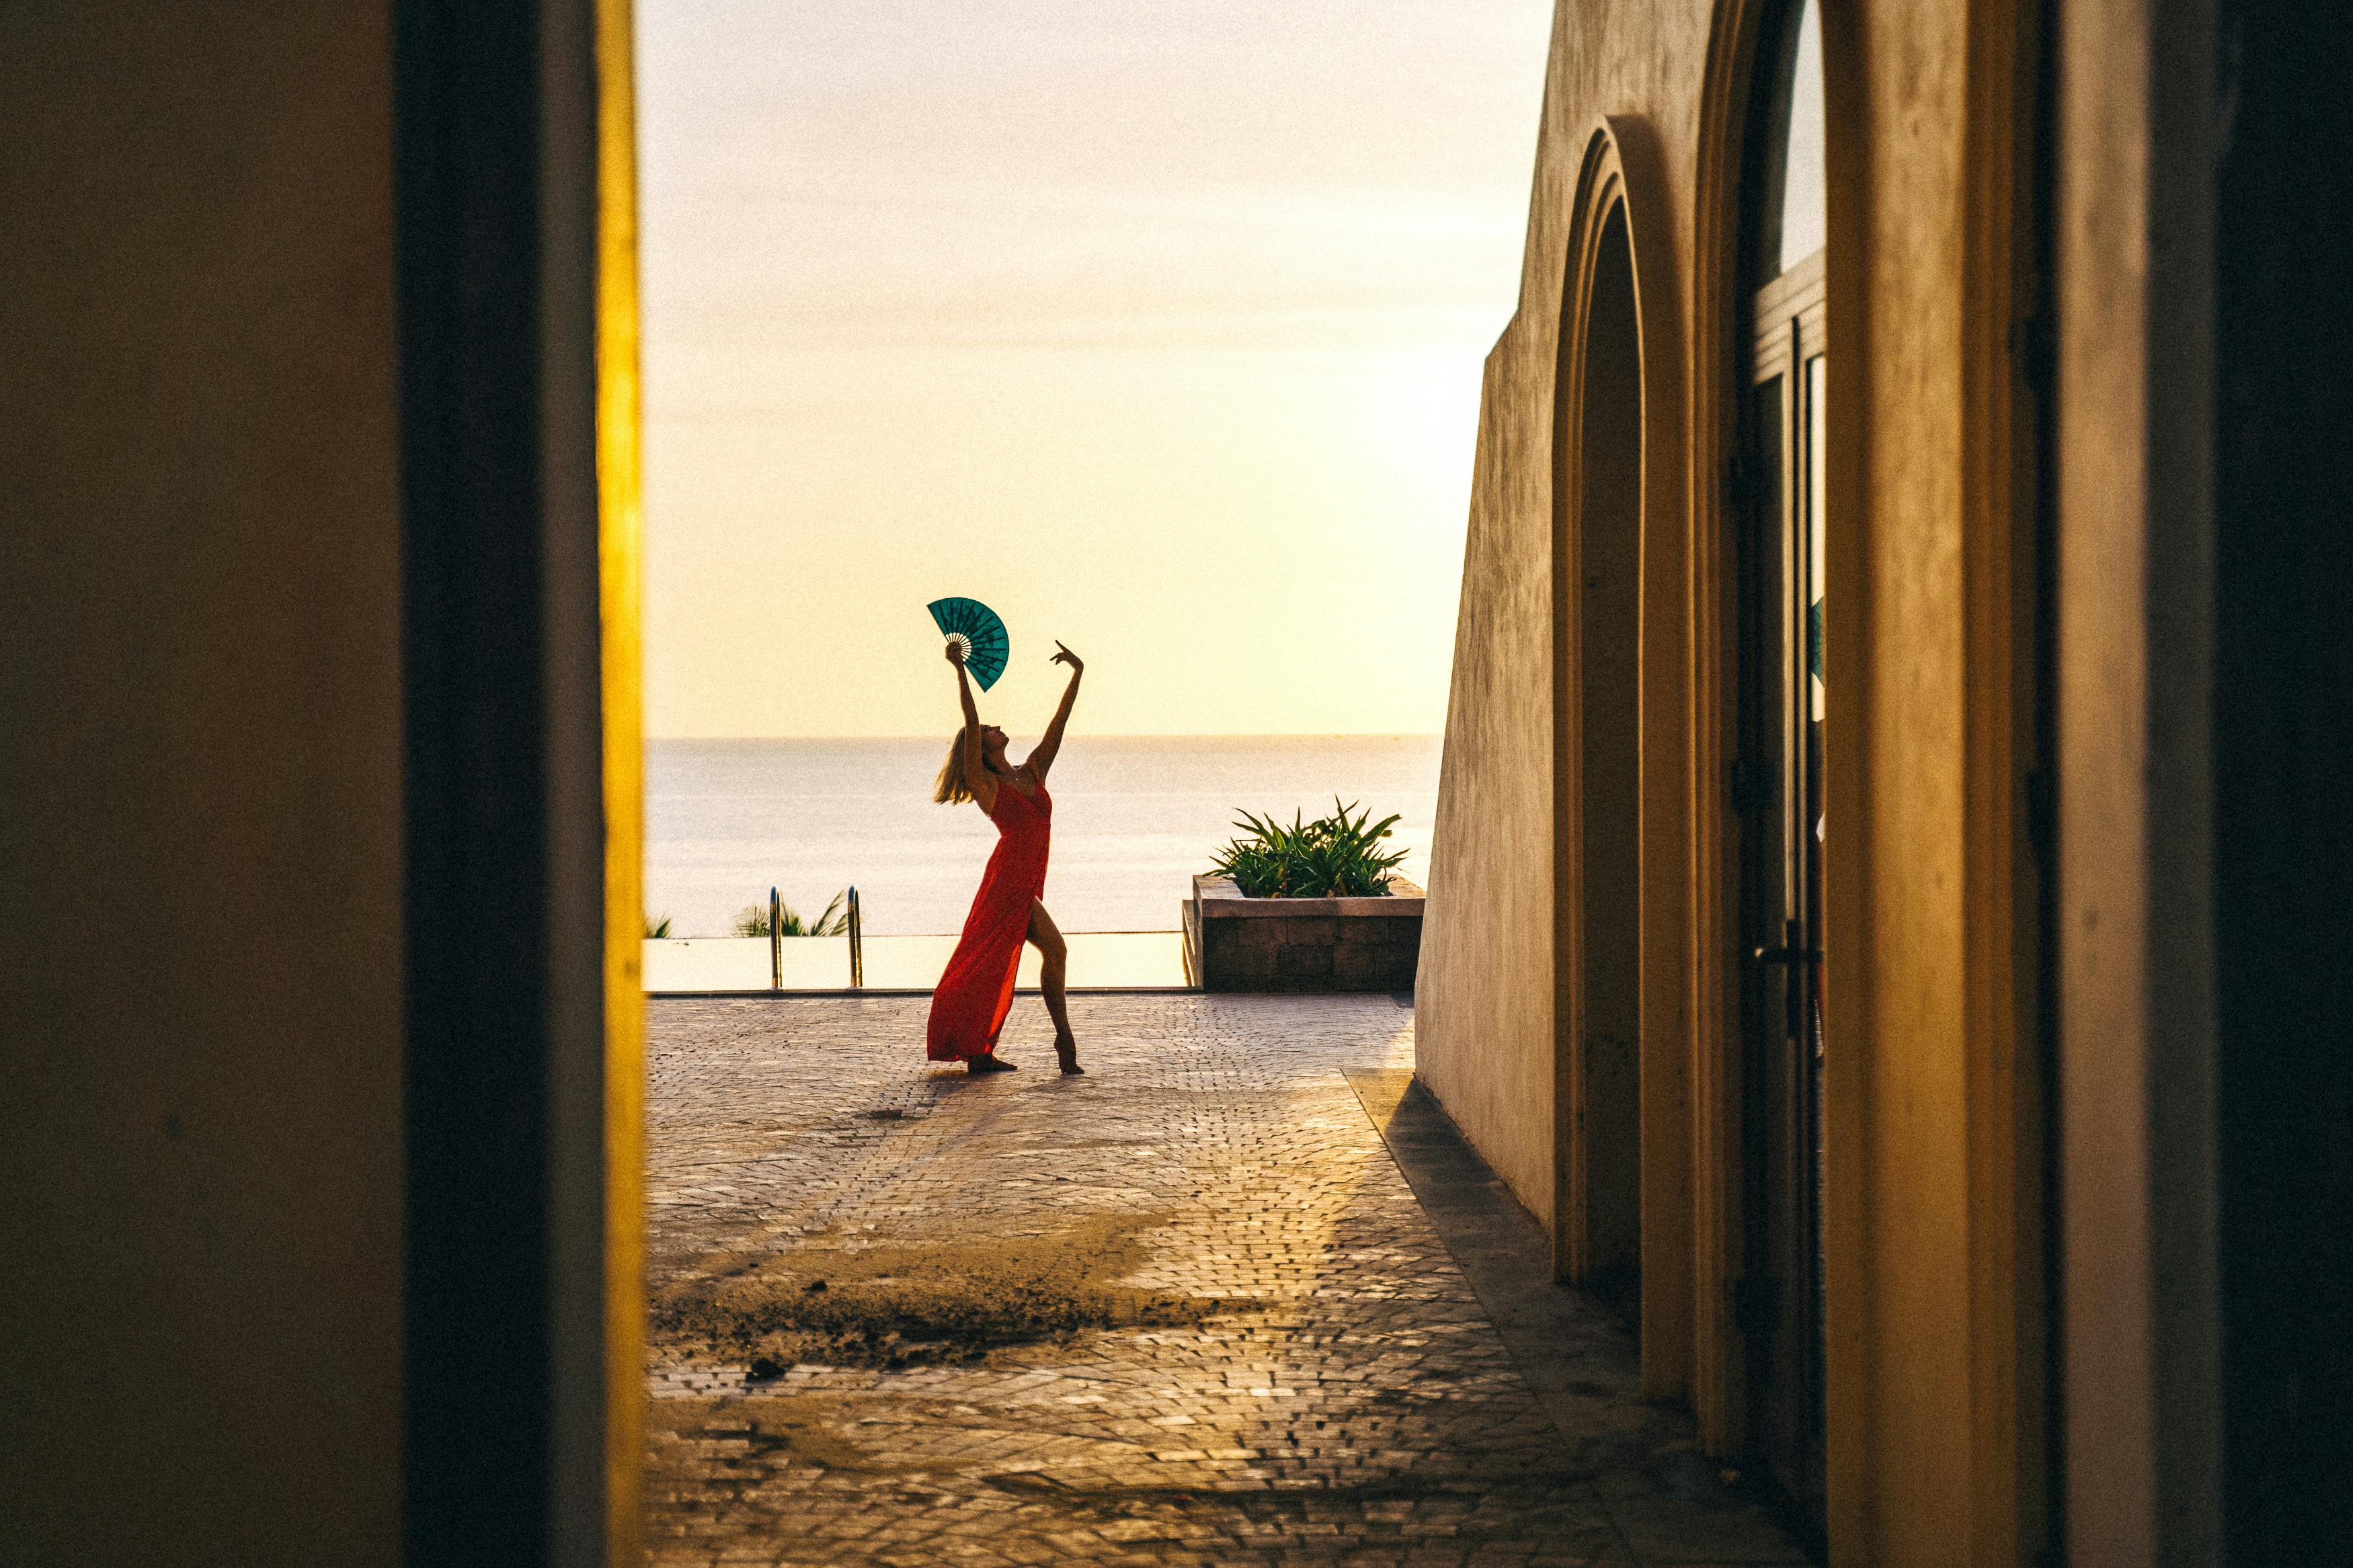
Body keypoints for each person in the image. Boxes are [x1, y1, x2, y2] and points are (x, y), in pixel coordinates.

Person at [926, 636, 1085, 1075]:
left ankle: (1040, 1042)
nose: (995, 726)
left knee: (1043, 954)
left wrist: (1077, 673)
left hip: (1021, 884)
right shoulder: (986, 784)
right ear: (980, 746)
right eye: (988, 729)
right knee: (993, 964)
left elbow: (1059, 723)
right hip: (1005, 886)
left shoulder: (1031, 770)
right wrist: (960, 670)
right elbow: (970, 716)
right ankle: (1003, 1048)